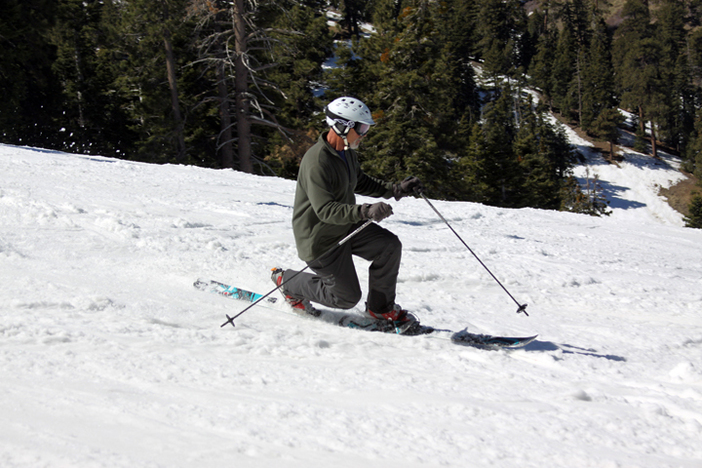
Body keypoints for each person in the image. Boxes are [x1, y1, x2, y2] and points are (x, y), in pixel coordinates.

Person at [271, 96, 424, 323]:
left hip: (344, 227)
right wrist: (365, 211)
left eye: (366, 128)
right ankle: (287, 281)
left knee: (389, 246)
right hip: (320, 239)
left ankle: (379, 309)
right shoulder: (317, 162)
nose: (364, 134)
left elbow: (358, 181)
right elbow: (325, 210)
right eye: (361, 128)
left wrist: (396, 189)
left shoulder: (345, 151)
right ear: (342, 126)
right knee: (345, 298)